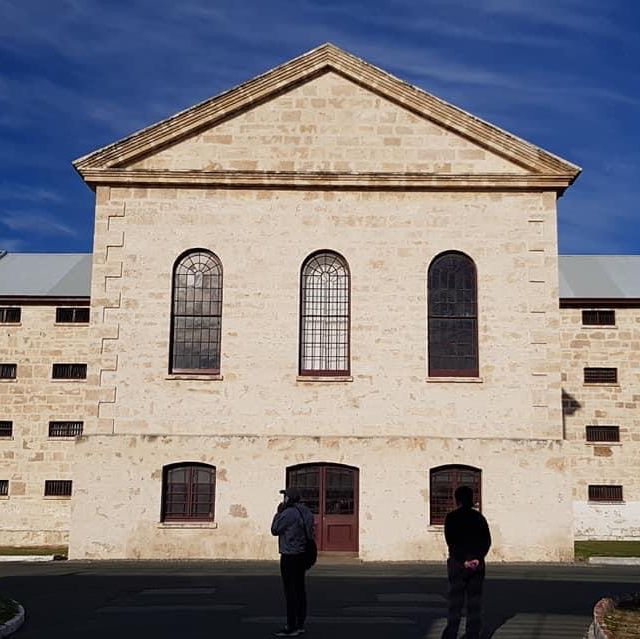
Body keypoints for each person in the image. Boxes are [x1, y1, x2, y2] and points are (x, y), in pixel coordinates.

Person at [441, 485, 491, 639]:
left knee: (455, 603)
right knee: (474, 603)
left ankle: (451, 634)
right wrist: (477, 558)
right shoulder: (479, 518)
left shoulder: (451, 518)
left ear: (457, 500)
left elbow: (452, 542)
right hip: (477, 565)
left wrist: (463, 561)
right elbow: (486, 541)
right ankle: (472, 634)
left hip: (457, 565)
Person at [271, 486, 315, 637]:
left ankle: (291, 625)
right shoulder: (307, 512)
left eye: (285, 497)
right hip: (302, 554)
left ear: (288, 498)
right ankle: (300, 623)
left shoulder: (288, 513)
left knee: (290, 591)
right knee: (300, 590)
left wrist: (278, 513)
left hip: (290, 555)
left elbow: (275, 529)